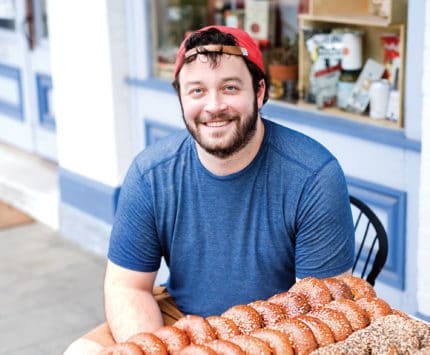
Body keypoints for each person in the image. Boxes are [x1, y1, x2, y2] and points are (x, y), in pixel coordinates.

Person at [63, 25, 355, 354]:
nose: (214, 106)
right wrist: (156, 349)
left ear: (258, 92)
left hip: (277, 329)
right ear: (181, 98)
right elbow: (127, 287)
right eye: (197, 91)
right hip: (182, 319)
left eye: (230, 88)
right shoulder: (151, 174)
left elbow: (321, 313)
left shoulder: (314, 175)